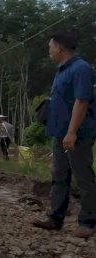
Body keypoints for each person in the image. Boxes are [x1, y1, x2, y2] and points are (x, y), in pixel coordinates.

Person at [32, 31, 96, 238]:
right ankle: (55, 218)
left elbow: (82, 101)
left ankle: (87, 223)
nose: (49, 50)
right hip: (59, 133)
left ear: (59, 48)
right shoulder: (61, 70)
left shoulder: (81, 69)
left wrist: (72, 132)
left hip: (77, 134)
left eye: (50, 46)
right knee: (59, 176)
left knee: (83, 176)